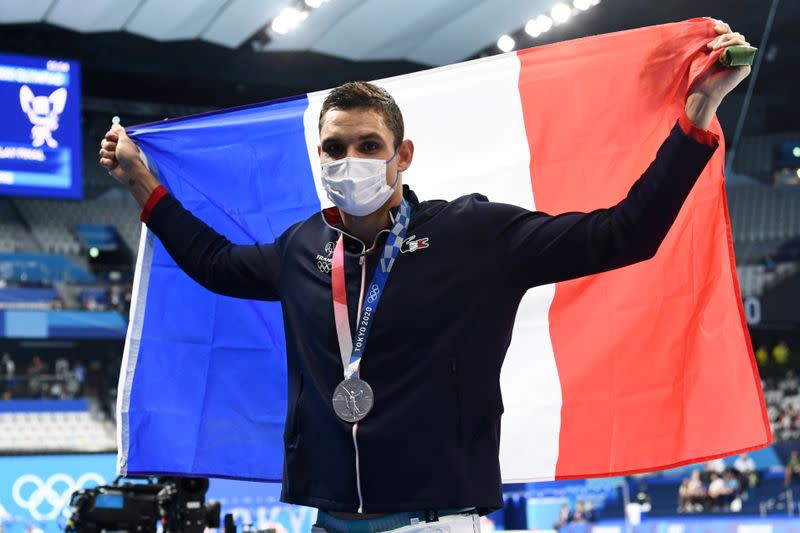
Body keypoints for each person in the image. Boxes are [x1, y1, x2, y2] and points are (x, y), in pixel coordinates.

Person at [99, 21, 750, 533]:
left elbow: (624, 232)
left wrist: (695, 118)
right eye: (333, 148)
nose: (348, 160)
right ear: (317, 156)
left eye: (367, 145)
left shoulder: (474, 236)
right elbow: (214, 263)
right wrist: (142, 185)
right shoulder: (302, 247)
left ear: (401, 155)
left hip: (434, 522)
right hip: (327, 521)